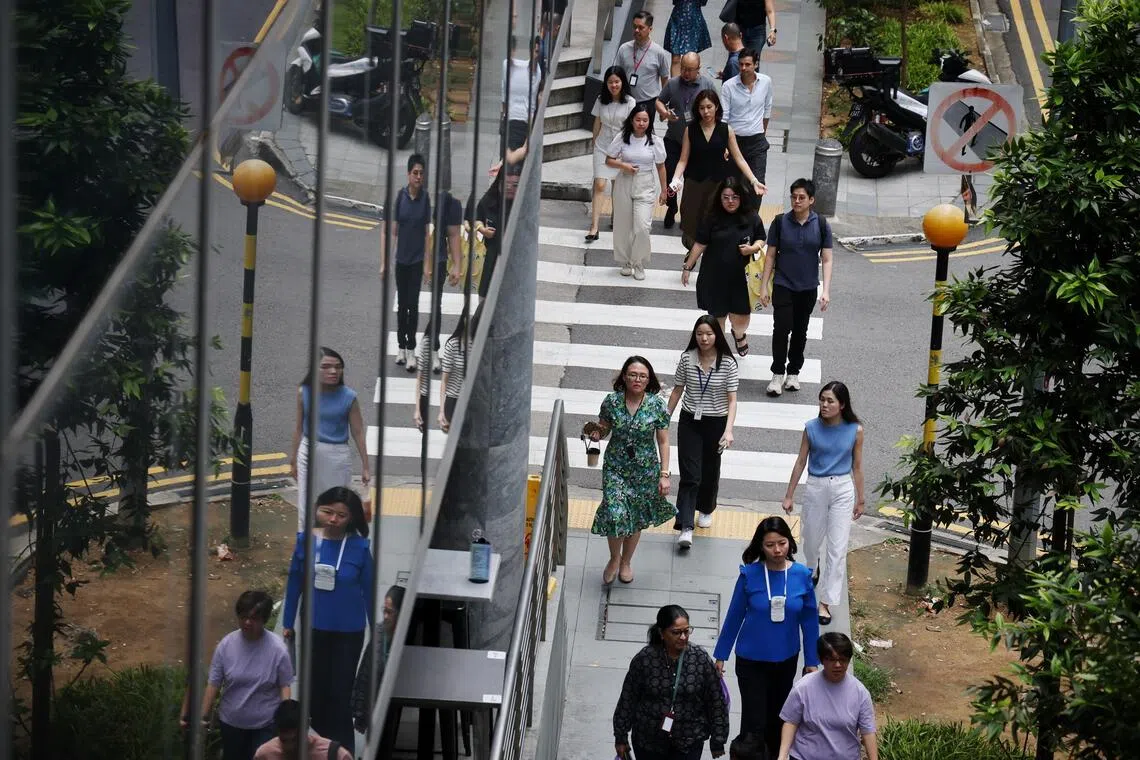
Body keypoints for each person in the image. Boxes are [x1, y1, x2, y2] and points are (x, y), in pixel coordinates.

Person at [713, 516, 820, 758]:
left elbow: (809, 622)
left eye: (782, 543)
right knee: (754, 720)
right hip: (751, 661)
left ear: (790, 543)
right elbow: (734, 615)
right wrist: (721, 655)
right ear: (761, 547)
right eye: (770, 545)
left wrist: (812, 661)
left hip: (786, 660)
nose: (777, 550)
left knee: (779, 716)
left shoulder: (801, 575)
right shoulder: (749, 574)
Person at [282, 487, 374, 755]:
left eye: (341, 515)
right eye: (327, 512)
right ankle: (322, 748)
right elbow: (294, 583)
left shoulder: (359, 547)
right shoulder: (305, 542)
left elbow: (369, 591)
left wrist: (378, 632)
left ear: (351, 518)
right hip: (314, 629)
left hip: (349, 632)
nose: (333, 519)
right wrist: (287, 622)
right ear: (317, 511)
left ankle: (343, 751)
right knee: (315, 693)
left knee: (340, 694)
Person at [781, 381, 864, 626]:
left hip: (842, 488)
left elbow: (857, 466)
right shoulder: (811, 428)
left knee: (837, 549)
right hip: (816, 487)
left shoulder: (855, 430)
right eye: (822, 400)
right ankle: (813, 566)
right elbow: (800, 461)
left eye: (830, 401)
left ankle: (826, 602)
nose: (824, 405)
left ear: (842, 405)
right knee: (810, 541)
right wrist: (789, 494)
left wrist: (861, 499)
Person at [587, 356, 675, 585]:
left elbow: (663, 441)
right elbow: (604, 428)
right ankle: (614, 558)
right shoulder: (612, 401)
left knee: (635, 517)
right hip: (616, 467)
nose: (637, 379)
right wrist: (596, 433)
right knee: (615, 512)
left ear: (649, 380)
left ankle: (626, 561)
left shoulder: (657, 405)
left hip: (645, 470)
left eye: (642, 376)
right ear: (624, 377)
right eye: (633, 375)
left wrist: (664, 474)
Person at [181, 591, 292, 760]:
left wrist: (286, 718)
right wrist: (202, 716)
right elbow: (214, 683)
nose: (247, 622)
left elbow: (284, 685)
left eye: (253, 618)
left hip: (265, 725)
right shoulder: (226, 646)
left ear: (264, 619)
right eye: (243, 617)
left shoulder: (278, 649)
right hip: (231, 724)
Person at [613, 604, 730, 760]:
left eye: (686, 631)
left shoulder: (700, 658)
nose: (683, 637)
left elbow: (715, 701)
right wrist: (620, 737)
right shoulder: (645, 659)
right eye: (676, 632)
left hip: (688, 741)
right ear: (662, 633)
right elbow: (628, 698)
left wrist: (718, 740)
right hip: (649, 742)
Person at [666, 316, 738, 548]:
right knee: (690, 473)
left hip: (716, 422)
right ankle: (685, 525)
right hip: (690, 422)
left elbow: (732, 400)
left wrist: (728, 430)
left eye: (709, 334)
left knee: (710, 469)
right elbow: (677, 390)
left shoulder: (728, 363)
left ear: (717, 335)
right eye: (699, 334)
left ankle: (706, 507)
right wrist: (665, 417)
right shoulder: (687, 359)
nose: (704, 338)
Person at [759, 179, 834, 396]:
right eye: (794, 197)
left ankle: (793, 373)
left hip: (808, 287)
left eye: (802, 197)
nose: (797, 201)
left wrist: (825, 290)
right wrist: (764, 287)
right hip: (783, 284)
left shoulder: (821, 224)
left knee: (801, 331)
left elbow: (827, 259)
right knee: (781, 328)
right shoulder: (780, 222)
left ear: (811, 200)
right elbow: (770, 256)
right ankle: (777, 373)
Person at [680, 177, 766, 355]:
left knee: (741, 320)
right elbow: (700, 244)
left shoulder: (751, 217)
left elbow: (761, 238)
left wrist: (752, 248)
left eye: (734, 197)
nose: (730, 201)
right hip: (715, 277)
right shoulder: (711, 218)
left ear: (741, 197)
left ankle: (739, 335)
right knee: (717, 319)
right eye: (725, 197)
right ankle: (722, 353)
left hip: (742, 279)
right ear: (719, 198)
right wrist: (687, 267)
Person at [669, 90, 765, 250]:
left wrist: (754, 180)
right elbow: (683, 160)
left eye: (709, 107)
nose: (706, 112)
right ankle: (692, 254)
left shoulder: (726, 130)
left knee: (714, 223)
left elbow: (739, 158)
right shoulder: (690, 130)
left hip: (718, 185)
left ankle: (710, 256)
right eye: (701, 108)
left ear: (717, 107)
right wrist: (675, 179)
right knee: (690, 224)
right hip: (694, 184)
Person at [289, 347, 370, 531]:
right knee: (306, 503)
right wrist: (293, 460)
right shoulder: (304, 392)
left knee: (337, 505)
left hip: (337, 455)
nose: (333, 371)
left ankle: (333, 541)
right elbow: (298, 428)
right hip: (308, 451)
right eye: (325, 366)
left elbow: (358, 432)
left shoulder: (349, 397)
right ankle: (305, 540)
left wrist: (365, 466)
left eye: (338, 367)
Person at [777, 633, 878, 760]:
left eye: (842, 660)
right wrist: (782, 755)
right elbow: (791, 722)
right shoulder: (803, 687)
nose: (837, 665)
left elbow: (868, 731)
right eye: (831, 659)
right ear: (821, 660)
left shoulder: (860, 693)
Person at [381, 154, 432, 372]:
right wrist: (385, 262)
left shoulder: (425, 199)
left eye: (421, 173)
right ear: (408, 174)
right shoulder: (400, 199)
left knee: (413, 305)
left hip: (417, 261)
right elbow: (392, 233)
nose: (418, 177)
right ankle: (401, 347)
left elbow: (427, 233)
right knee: (402, 306)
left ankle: (411, 350)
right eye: (415, 173)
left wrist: (427, 265)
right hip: (401, 261)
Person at [605, 105, 668, 280]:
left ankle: (638, 261)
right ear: (632, 120)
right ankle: (625, 261)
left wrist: (664, 190)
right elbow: (609, 160)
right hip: (624, 182)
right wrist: (623, 165)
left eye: (645, 120)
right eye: (638, 120)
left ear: (650, 122)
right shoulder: (622, 137)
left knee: (642, 227)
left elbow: (661, 167)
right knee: (623, 225)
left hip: (646, 183)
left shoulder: (655, 141)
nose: (641, 123)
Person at [655, 53, 717, 230]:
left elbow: (716, 108)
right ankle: (671, 206)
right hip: (674, 139)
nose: (686, 73)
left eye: (690, 70)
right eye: (683, 69)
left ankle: (687, 213)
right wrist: (665, 113)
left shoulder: (707, 85)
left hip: (696, 142)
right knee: (670, 175)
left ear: (698, 69)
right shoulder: (673, 83)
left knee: (691, 180)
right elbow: (659, 101)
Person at [587, 66, 636, 242]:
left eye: (617, 81)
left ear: (622, 82)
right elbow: (597, 122)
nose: (613, 85)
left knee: (618, 185)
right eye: (610, 82)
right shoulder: (601, 100)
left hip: (621, 148)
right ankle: (594, 227)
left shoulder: (630, 102)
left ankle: (616, 217)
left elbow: (632, 128)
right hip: (602, 146)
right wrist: (594, 142)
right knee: (599, 184)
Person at [413, 305, 481, 433]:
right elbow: (444, 380)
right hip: (453, 400)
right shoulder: (452, 345)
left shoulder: (475, 346)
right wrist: (441, 411)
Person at [351, 584, 406, 733]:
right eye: (384, 611)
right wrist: (360, 715)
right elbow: (365, 675)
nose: (386, 616)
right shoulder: (379, 633)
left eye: (390, 612)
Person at [721, 49, 774, 185]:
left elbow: (767, 109)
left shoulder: (766, 82)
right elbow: (724, 117)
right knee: (732, 184)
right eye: (741, 64)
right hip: (735, 140)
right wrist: (724, 144)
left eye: (748, 64)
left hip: (757, 140)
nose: (743, 68)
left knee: (758, 183)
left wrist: (763, 132)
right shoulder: (728, 86)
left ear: (756, 64)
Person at [426, 189, 463, 373]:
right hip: (413, 257)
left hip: (438, 259)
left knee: (435, 305)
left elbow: (454, 234)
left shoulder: (449, 201)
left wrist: (457, 265)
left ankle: (433, 349)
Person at [253, 700, 354, 760]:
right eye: (284, 741)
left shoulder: (335, 755)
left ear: (308, 725)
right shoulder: (265, 754)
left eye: (296, 740)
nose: (290, 747)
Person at [613, 11, 671, 111]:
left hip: (648, 102)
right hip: (626, 100)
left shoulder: (658, 52)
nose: (636, 30)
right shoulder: (623, 48)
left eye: (641, 27)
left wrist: (663, 104)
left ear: (650, 29)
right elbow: (616, 74)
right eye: (634, 26)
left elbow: (664, 78)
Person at [502, 34, 542, 150]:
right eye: (534, 51)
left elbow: (532, 105)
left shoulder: (537, 73)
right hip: (510, 121)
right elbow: (504, 95)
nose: (536, 54)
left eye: (538, 52)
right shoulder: (507, 65)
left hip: (522, 123)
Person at [663, 0, 712, 76]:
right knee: (675, 58)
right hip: (678, 18)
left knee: (691, 58)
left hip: (694, 18)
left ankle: (692, 81)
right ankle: (675, 83)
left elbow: (703, 2)